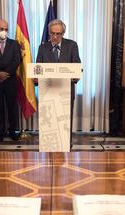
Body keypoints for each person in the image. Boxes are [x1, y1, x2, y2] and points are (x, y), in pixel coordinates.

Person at [36, 19, 81, 147]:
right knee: (49, 120)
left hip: (66, 91)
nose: (55, 36)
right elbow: (38, 68)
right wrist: (35, 78)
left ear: (63, 33)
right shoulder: (43, 47)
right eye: (52, 33)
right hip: (48, 92)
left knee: (65, 121)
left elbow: (76, 65)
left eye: (58, 34)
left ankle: (67, 143)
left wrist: (76, 75)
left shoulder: (72, 45)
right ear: (49, 33)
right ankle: (48, 145)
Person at [0, 19, 21, 142]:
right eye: (2, 29)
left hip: (10, 80)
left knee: (12, 107)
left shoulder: (14, 44)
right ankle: (0, 132)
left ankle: (13, 131)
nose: (4, 31)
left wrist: (6, 73)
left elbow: (17, 60)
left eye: (6, 29)